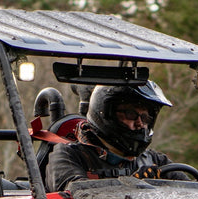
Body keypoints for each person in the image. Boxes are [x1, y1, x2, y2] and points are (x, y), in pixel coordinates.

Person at [45, 81, 185, 192]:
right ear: (106, 114)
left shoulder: (155, 160)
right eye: (131, 114)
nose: (140, 124)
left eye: (145, 117)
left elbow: (197, 193)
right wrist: (132, 186)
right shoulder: (68, 155)